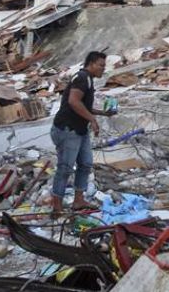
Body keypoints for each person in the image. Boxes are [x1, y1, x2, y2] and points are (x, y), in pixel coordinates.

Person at [50, 51, 114, 216]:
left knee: (85, 164)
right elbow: (73, 101)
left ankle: (78, 200)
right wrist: (92, 120)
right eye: (101, 65)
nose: (102, 69)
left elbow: (83, 106)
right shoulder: (81, 77)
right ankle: (56, 206)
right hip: (67, 129)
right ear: (91, 64)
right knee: (65, 168)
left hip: (79, 129)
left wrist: (101, 113)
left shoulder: (89, 80)